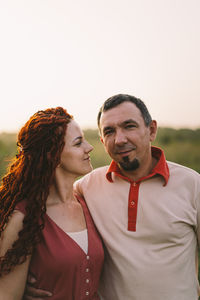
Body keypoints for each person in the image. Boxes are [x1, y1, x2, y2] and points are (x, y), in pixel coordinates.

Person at [24, 94, 200, 300]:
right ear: (102, 140)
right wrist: (25, 280)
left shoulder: (192, 184)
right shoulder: (86, 187)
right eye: (109, 131)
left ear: (151, 130)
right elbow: (43, 212)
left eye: (129, 126)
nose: (120, 139)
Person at [0, 107, 104, 300]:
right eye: (78, 143)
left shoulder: (88, 201)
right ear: (52, 155)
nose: (89, 147)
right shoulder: (23, 218)